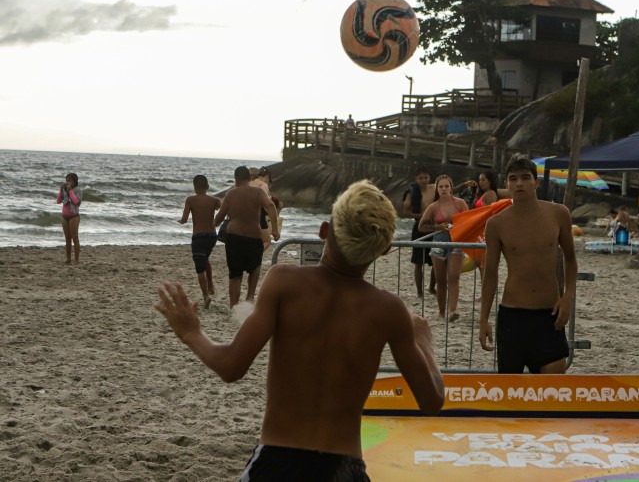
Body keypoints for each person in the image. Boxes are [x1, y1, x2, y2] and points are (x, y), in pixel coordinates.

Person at [154, 180, 444, 480]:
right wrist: (423, 341)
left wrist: (192, 333)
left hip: (277, 461)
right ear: (384, 250)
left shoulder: (285, 282)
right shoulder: (388, 310)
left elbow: (230, 367)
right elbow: (432, 401)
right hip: (343, 468)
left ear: (324, 231)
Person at [478, 156, 578, 374]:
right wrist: (483, 319)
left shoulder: (558, 214)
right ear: (507, 184)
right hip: (512, 317)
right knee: (512, 397)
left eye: (525, 178)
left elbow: (570, 259)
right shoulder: (496, 224)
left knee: (551, 394)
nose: (519, 183)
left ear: (537, 182)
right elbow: (491, 274)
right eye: (513, 179)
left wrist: (568, 297)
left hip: (550, 315)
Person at [215, 166, 280, 307]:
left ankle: (234, 306)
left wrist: (211, 224)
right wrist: (274, 229)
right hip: (253, 237)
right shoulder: (258, 192)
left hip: (234, 238)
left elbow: (219, 218)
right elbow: (270, 205)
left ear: (236, 179)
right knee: (254, 268)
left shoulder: (231, 194)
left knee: (235, 274)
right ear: (250, 179)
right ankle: (250, 299)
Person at [418, 174, 469, 322]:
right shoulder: (433, 207)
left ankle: (453, 310)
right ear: (437, 189)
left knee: (454, 277)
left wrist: (457, 227)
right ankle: (441, 312)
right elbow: (421, 226)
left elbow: (469, 221)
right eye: (441, 186)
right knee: (440, 280)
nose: (444, 189)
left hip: (456, 242)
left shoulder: (460, 204)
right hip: (438, 242)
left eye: (447, 186)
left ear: (451, 188)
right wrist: (437, 227)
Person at [178, 175, 222, 309]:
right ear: (207, 187)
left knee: (199, 269)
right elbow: (224, 209)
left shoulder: (190, 200)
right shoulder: (214, 200)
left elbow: (185, 219)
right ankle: (211, 284)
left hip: (198, 236)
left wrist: (181, 221)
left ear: (194, 187)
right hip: (212, 236)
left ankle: (205, 296)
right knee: (205, 258)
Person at [402, 167, 436, 298]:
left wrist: (463, 186)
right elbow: (406, 211)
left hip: (434, 226)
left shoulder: (434, 188)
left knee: (436, 260)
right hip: (419, 227)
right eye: (421, 178)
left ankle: (432, 288)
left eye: (426, 177)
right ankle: (419, 292)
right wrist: (420, 214)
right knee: (418, 262)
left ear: (429, 178)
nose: (423, 180)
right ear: (416, 179)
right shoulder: (412, 192)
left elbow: (449, 191)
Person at [57, 172, 82, 264]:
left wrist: (70, 191)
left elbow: (76, 202)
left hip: (74, 216)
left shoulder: (78, 190)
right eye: (67, 180)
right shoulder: (64, 190)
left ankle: (76, 259)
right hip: (64, 216)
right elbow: (59, 201)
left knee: (75, 238)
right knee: (67, 239)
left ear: (75, 181)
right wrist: (61, 191)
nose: (68, 182)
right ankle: (68, 259)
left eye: (70, 180)